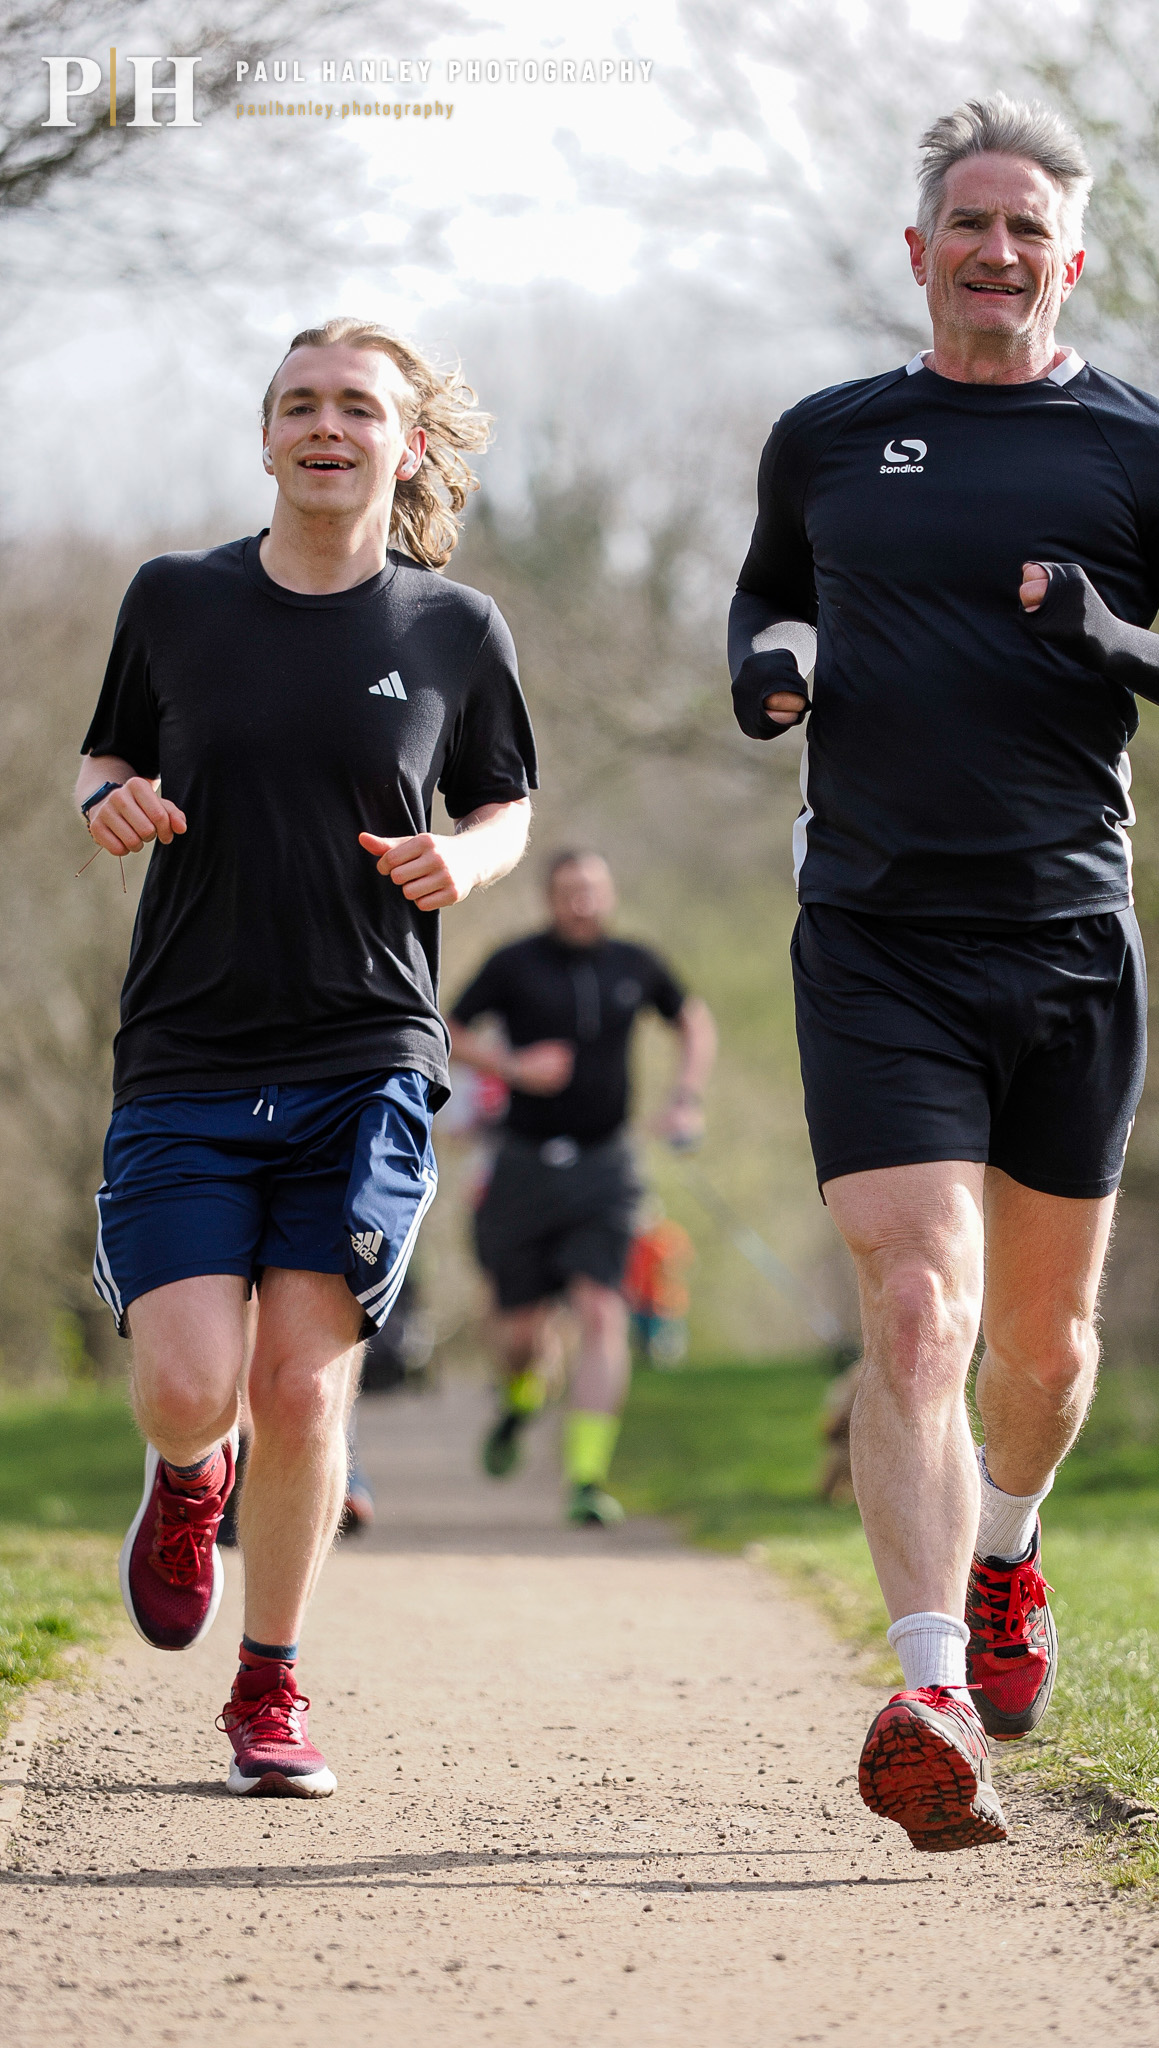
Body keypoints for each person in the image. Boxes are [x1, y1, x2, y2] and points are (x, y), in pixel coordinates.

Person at [728, 95, 1159, 1852]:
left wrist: (1110, 638)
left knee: (1041, 1352)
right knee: (917, 1306)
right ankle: (927, 1694)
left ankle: (1010, 1552)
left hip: (1066, 945)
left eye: (1024, 227)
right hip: (878, 937)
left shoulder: (1135, 450)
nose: (993, 251)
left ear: (1072, 256)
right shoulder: (828, 438)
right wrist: (772, 662)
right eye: (964, 223)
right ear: (918, 251)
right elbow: (766, 603)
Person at [79, 316, 537, 1798]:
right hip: (190, 1046)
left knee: (302, 1388)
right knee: (190, 1385)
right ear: (265, 435)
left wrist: (468, 863)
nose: (326, 425)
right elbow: (107, 756)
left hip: (368, 1053)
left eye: (357, 407)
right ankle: (181, 1477)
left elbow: (507, 801)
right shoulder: (174, 602)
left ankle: (267, 1689)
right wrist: (113, 804)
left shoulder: (453, 630)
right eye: (299, 404)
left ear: (406, 446)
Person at [448, 850, 716, 1522]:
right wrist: (510, 1065)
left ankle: (586, 1480)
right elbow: (444, 1030)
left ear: (609, 894)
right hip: (524, 1165)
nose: (582, 903)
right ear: (550, 898)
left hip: (607, 1165)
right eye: (569, 892)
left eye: (593, 890)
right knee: (521, 1335)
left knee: (602, 1309)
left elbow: (693, 1020)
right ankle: (520, 1398)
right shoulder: (514, 964)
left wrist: (686, 1097)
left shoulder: (635, 962)